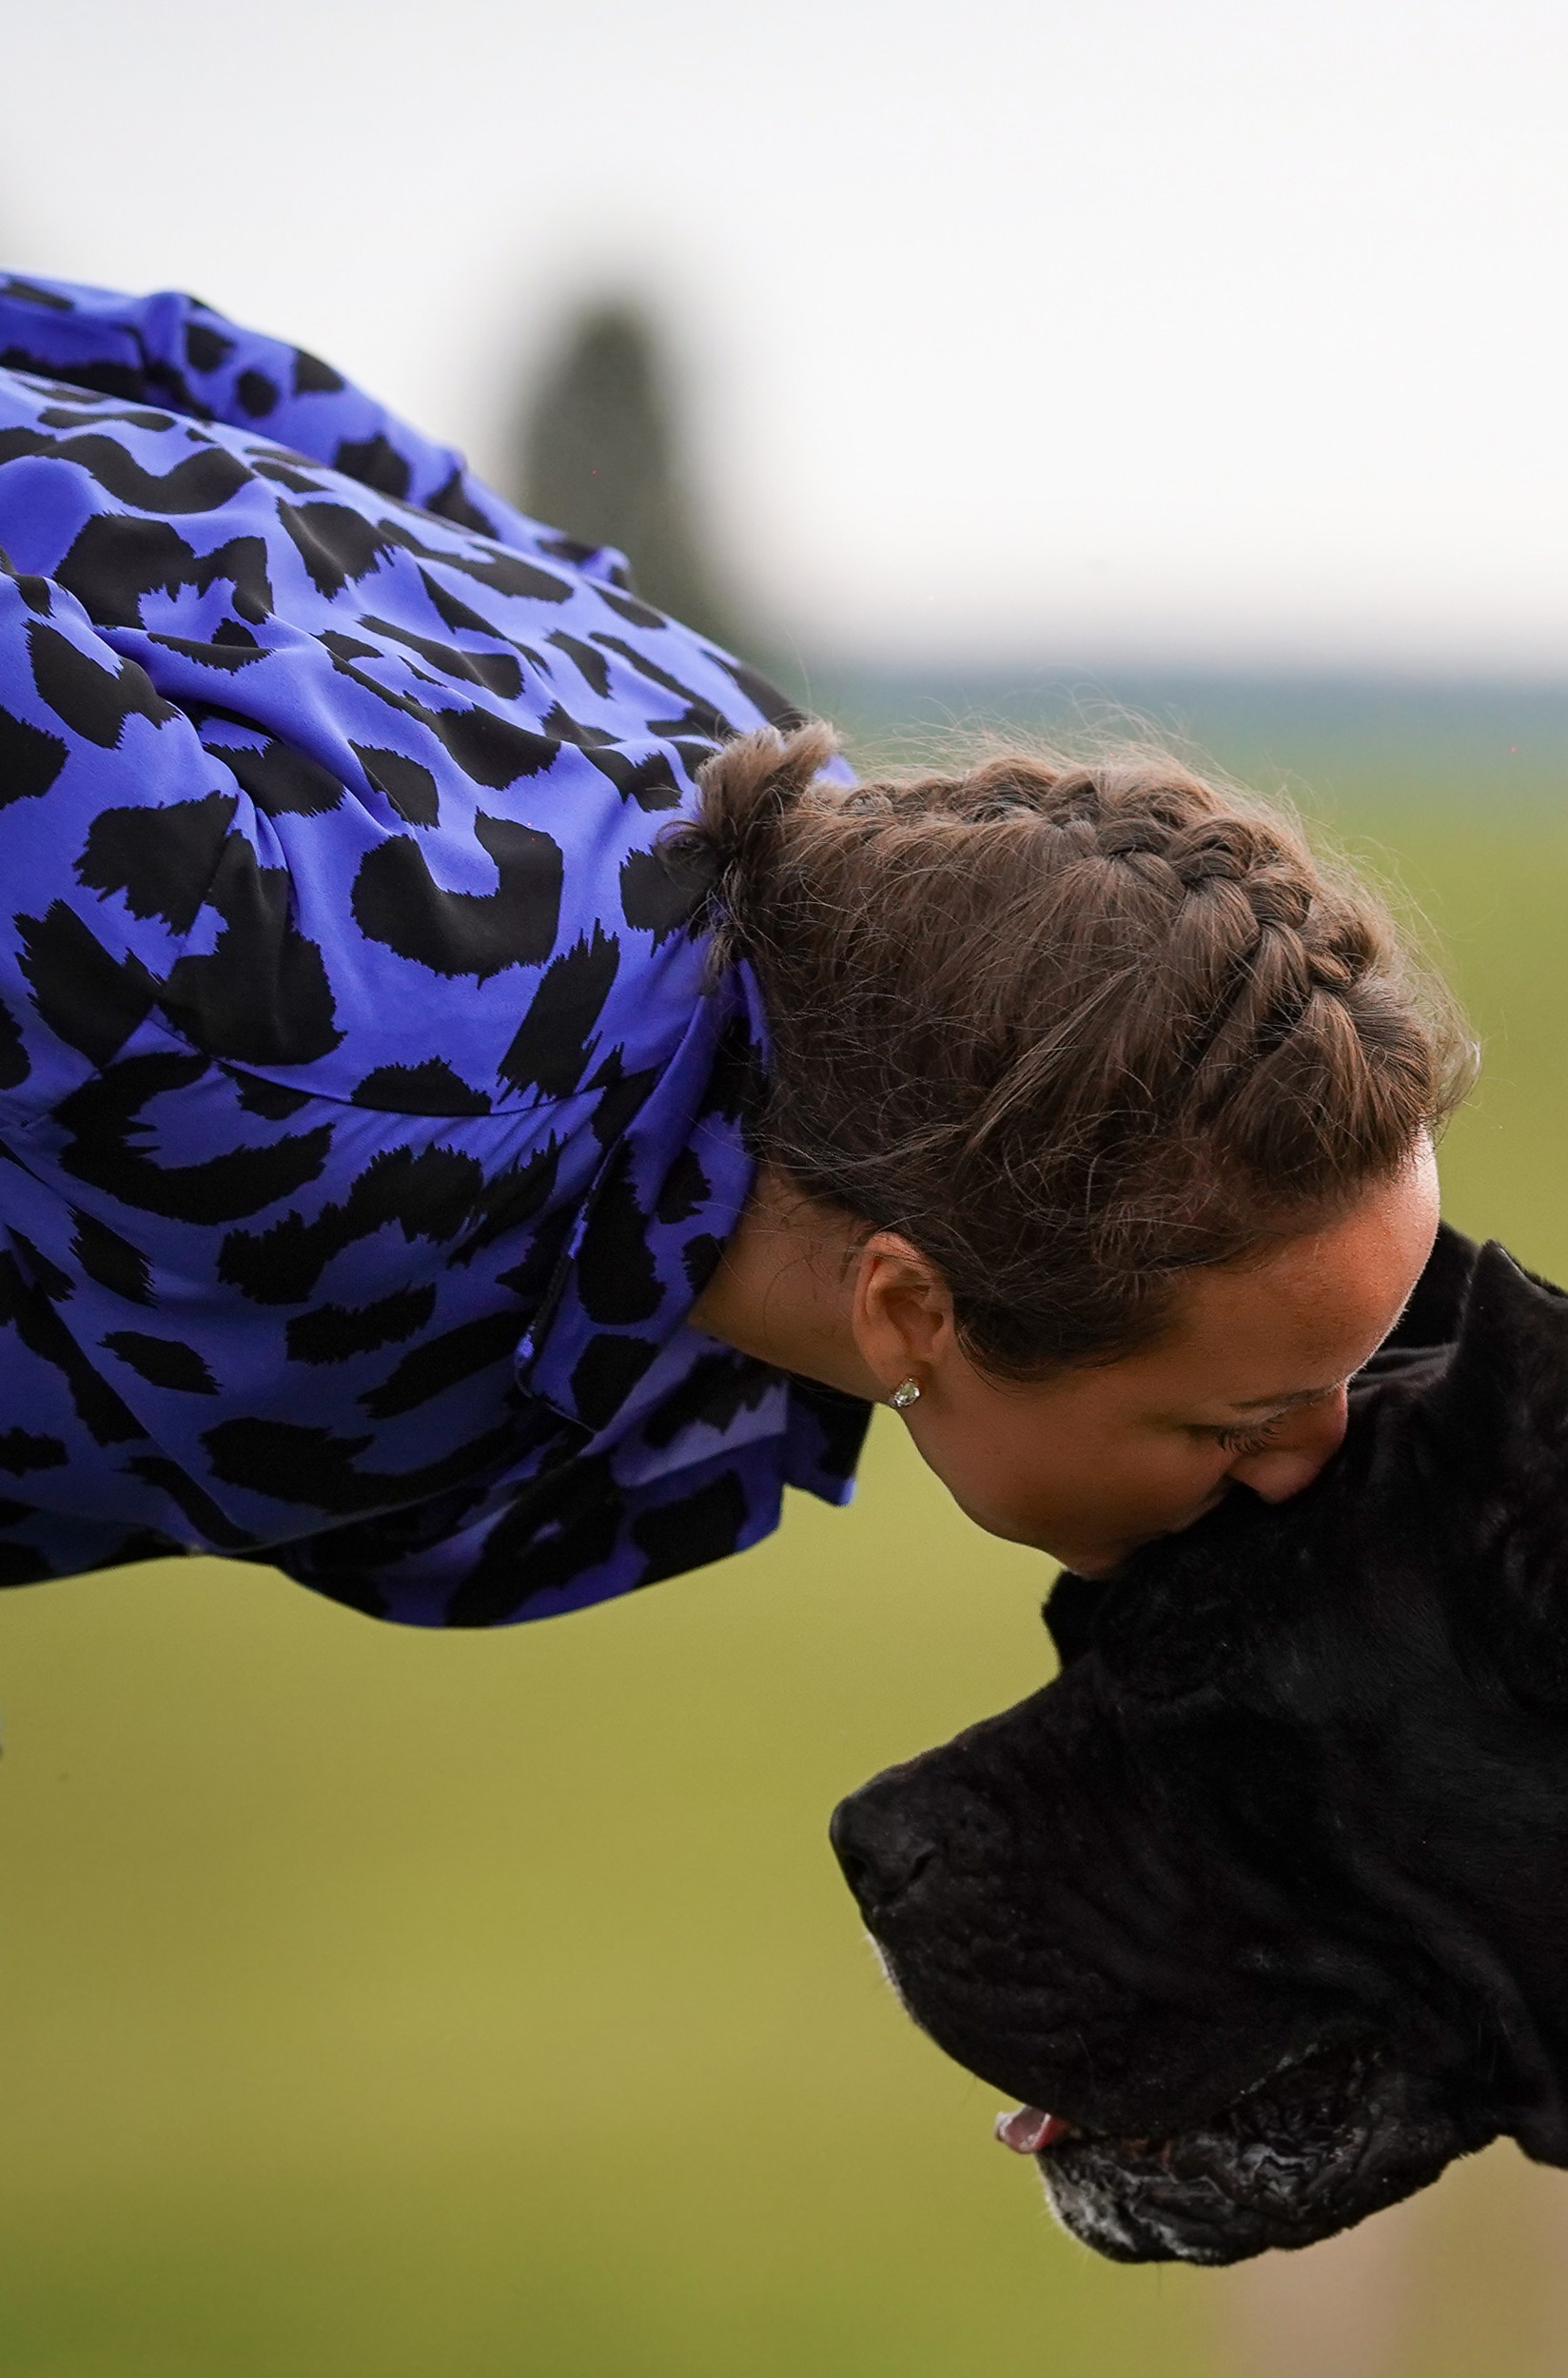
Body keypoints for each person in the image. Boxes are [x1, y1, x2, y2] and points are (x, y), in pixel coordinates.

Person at [0, 277, 1468, 1626]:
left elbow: (226, 388)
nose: (1312, 1462)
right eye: (1233, 1420)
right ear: (906, 1309)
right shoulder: (313, 1024)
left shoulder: (793, 870)